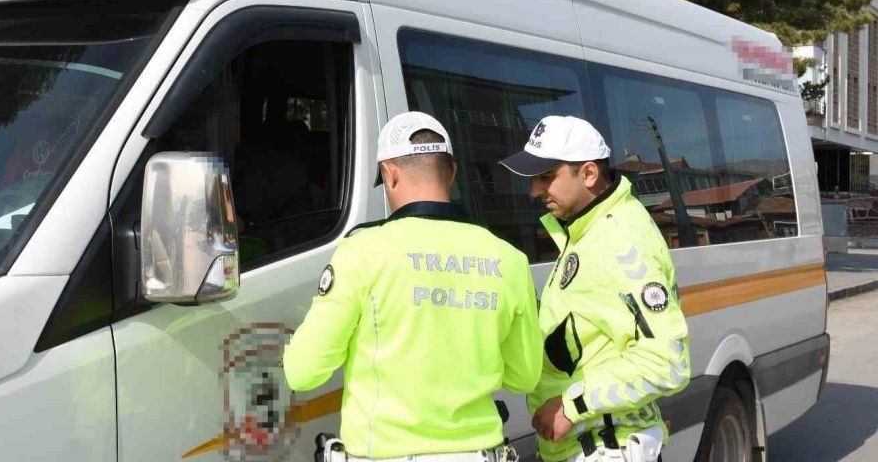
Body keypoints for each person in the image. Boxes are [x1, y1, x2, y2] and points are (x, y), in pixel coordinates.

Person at [284, 111, 541, 462]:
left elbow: (303, 372)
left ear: (390, 174)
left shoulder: (362, 252)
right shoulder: (509, 259)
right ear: (451, 172)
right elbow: (524, 377)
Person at [499, 115, 691, 462]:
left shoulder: (620, 240)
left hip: (605, 449)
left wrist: (572, 406)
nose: (535, 190)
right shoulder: (588, 231)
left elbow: (667, 362)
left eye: (546, 177)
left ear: (588, 173)